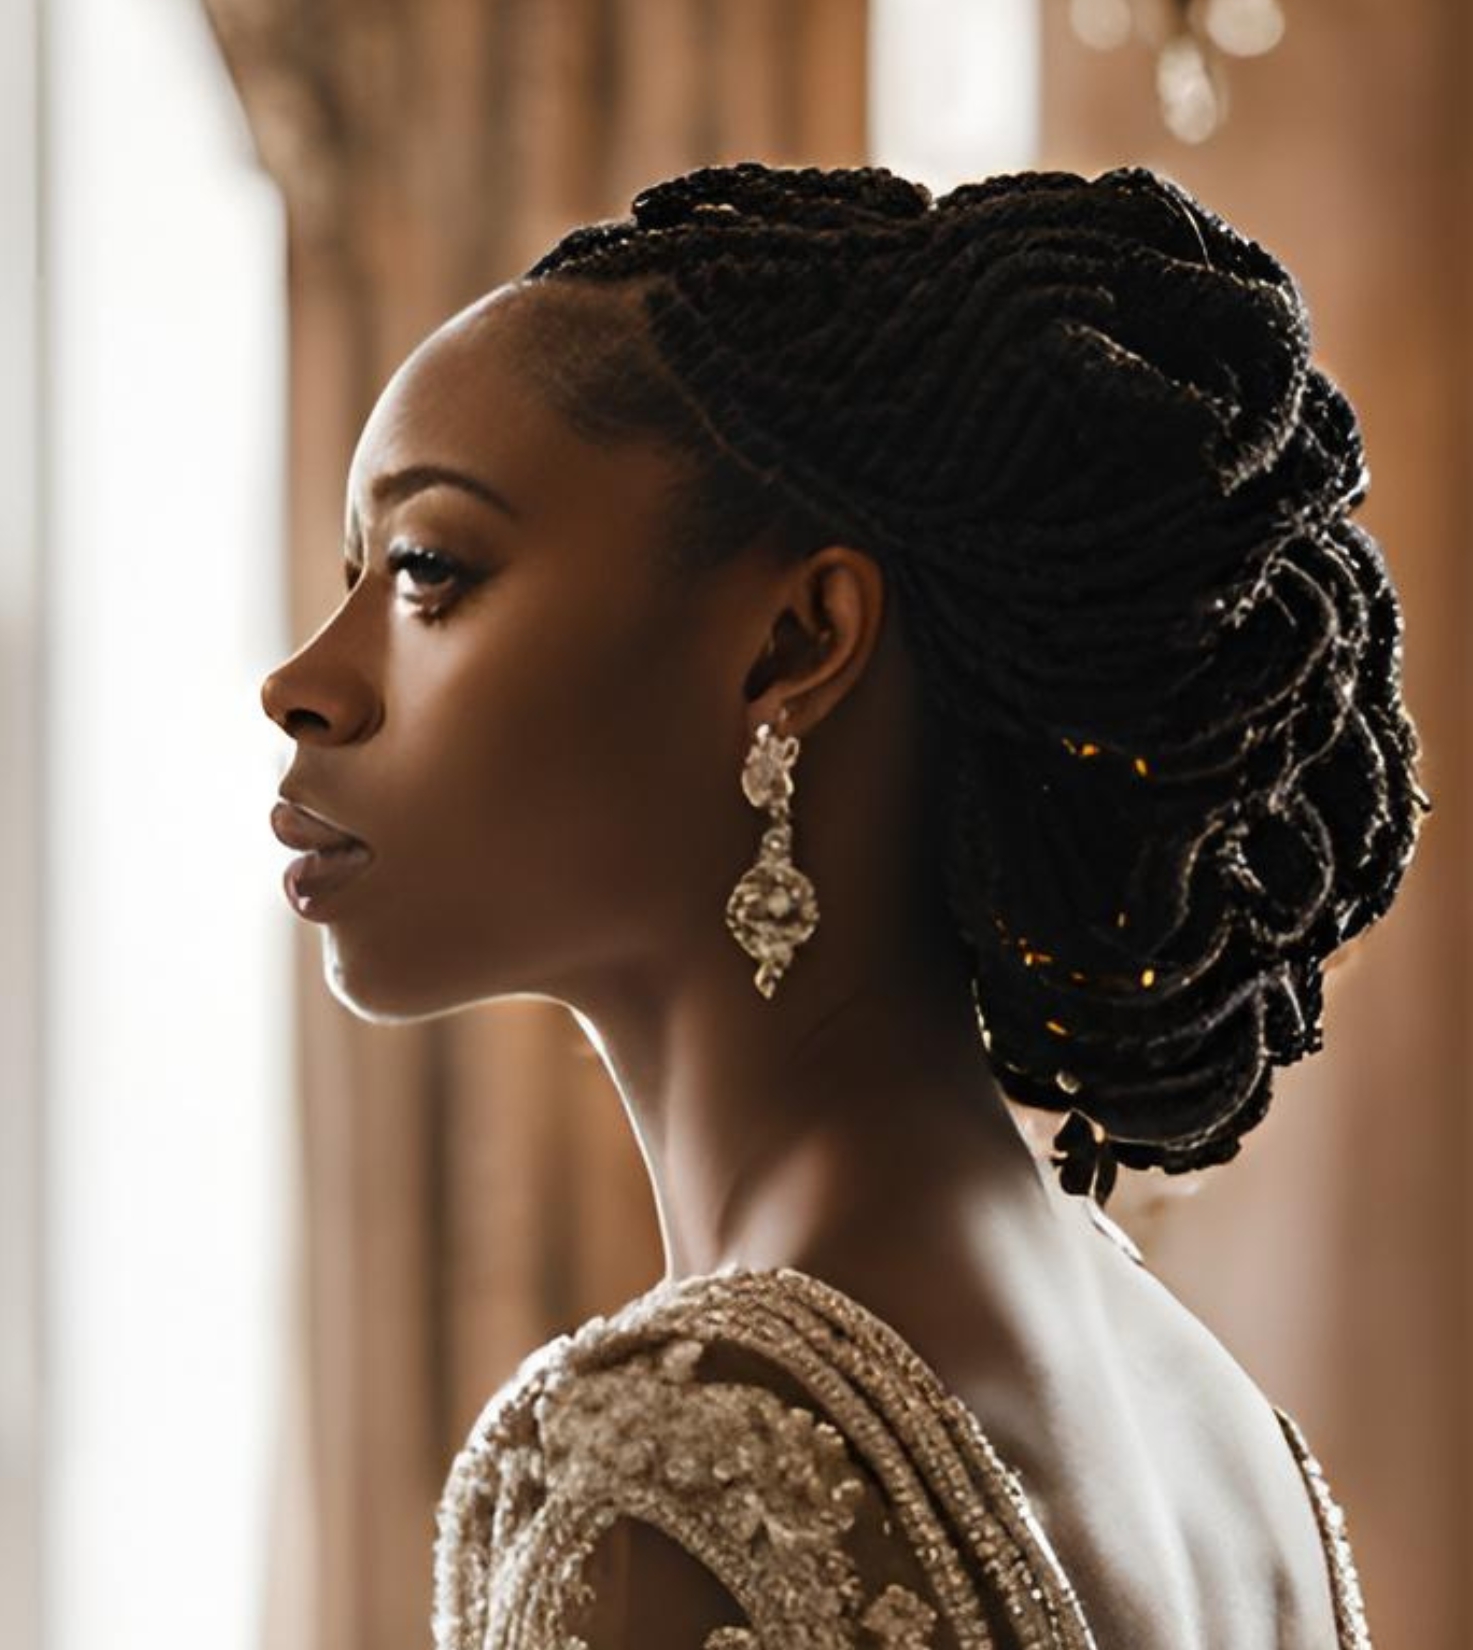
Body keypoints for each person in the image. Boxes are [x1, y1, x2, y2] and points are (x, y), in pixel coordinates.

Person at [258, 162, 1425, 1648]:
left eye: (430, 569)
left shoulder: (664, 1477)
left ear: (795, 643)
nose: (304, 680)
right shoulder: (1216, 1424)